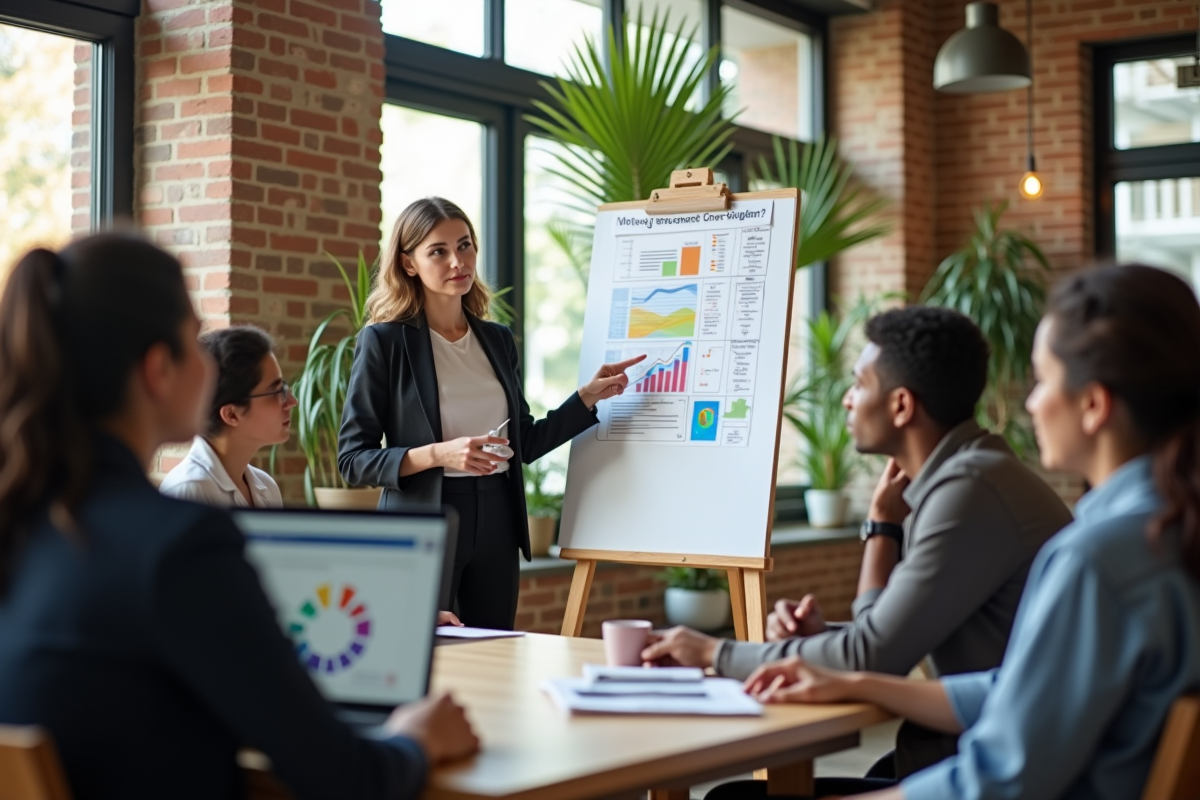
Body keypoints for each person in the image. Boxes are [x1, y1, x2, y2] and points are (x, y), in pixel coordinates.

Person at [0, 234, 478, 800]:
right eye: (194, 345)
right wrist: (416, 738)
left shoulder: (26, 524)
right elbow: (347, 776)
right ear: (159, 370)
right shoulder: (179, 545)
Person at [726, 263, 1200, 800]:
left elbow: (998, 779)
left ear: (1093, 406)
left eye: (1042, 380)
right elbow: (1020, 690)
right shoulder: (1160, 528)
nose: (1030, 403)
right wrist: (857, 682)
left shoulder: (1097, 558)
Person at [642, 306, 1072, 776]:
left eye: (860, 383)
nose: (848, 400)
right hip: (966, 749)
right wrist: (881, 528)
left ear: (902, 405)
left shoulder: (969, 492)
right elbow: (879, 640)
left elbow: (874, 656)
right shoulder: (973, 474)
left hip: (990, 765)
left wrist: (712, 653)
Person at [339, 197, 641, 630]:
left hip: (498, 518)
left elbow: (525, 442)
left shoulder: (497, 340)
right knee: (429, 656)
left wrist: (586, 399)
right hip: (427, 520)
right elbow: (353, 459)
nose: (457, 261)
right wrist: (441, 454)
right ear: (408, 264)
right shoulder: (385, 343)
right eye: (438, 251)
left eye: (464, 246)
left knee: (495, 650)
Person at [159, 326, 293, 507]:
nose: (292, 401)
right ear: (231, 414)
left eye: (283, 388)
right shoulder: (187, 491)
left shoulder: (267, 488)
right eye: (276, 391)